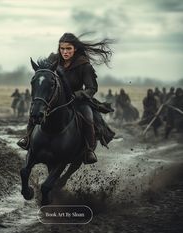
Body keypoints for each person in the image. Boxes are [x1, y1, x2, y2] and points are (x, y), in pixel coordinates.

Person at [17, 32, 114, 164]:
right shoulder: (53, 59)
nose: (65, 52)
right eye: (62, 48)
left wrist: (78, 95)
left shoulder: (84, 65)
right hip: (55, 98)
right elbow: (44, 73)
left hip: (77, 100)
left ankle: (88, 150)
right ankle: (27, 138)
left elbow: (92, 88)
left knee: (88, 116)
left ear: (75, 49)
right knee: (36, 108)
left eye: (68, 48)